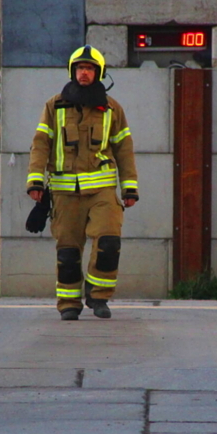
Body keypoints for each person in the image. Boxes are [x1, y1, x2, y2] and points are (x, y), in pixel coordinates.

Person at [26, 45, 139, 321]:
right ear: (72, 71)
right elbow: (41, 144)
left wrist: (130, 187)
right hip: (64, 193)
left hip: (102, 191)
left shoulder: (113, 109)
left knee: (109, 242)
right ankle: (69, 303)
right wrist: (36, 181)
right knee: (68, 253)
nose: (84, 73)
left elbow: (124, 149)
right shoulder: (54, 106)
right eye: (79, 68)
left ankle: (98, 297)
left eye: (89, 69)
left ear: (98, 73)